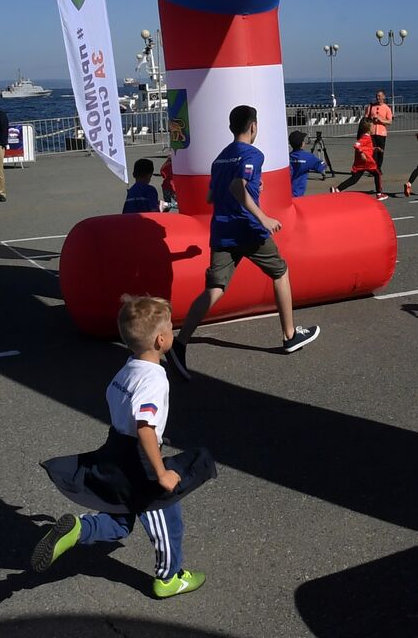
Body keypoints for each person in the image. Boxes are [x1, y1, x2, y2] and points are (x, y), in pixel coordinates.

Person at [32, 296, 208, 598]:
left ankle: (78, 529)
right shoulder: (154, 378)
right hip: (138, 458)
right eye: (169, 328)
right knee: (166, 512)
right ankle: (169, 578)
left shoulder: (129, 368)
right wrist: (160, 472)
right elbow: (145, 427)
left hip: (115, 447)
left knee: (120, 519)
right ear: (161, 340)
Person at [167, 104, 320, 379]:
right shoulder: (253, 154)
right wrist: (263, 217)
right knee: (280, 271)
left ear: (230, 127)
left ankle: (179, 344)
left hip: (222, 230)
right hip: (247, 229)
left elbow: (213, 198)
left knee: (214, 288)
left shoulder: (220, 159)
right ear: (253, 127)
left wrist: (253, 188)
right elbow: (237, 187)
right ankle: (289, 335)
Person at [330, 121, 385, 199]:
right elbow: (357, 145)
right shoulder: (366, 137)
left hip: (361, 162)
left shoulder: (365, 136)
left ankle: (337, 189)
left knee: (354, 179)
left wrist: (376, 148)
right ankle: (379, 194)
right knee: (377, 174)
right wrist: (362, 154)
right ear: (368, 128)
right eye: (373, 126)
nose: (374, 128)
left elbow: (366, 148)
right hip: (367, 161)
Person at [288, 131, 327, 198]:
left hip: (286, 192)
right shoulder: (307, 157)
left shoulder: (288, 157)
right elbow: (322, 166)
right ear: (302, 144)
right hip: (298, 193)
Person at [364, 89, 392, 172]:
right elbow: (365, 118)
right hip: (371, 132)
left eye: (379, 96)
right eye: (377, 96)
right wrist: (370, 119)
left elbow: (390, 121)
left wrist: (381, 120)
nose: (378, 97)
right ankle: (373, 168)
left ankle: (378, 168)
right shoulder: (371, 106)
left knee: (380, 151)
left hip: (381, 133)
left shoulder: (387, 108)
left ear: (383, 97)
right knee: (372, 151)